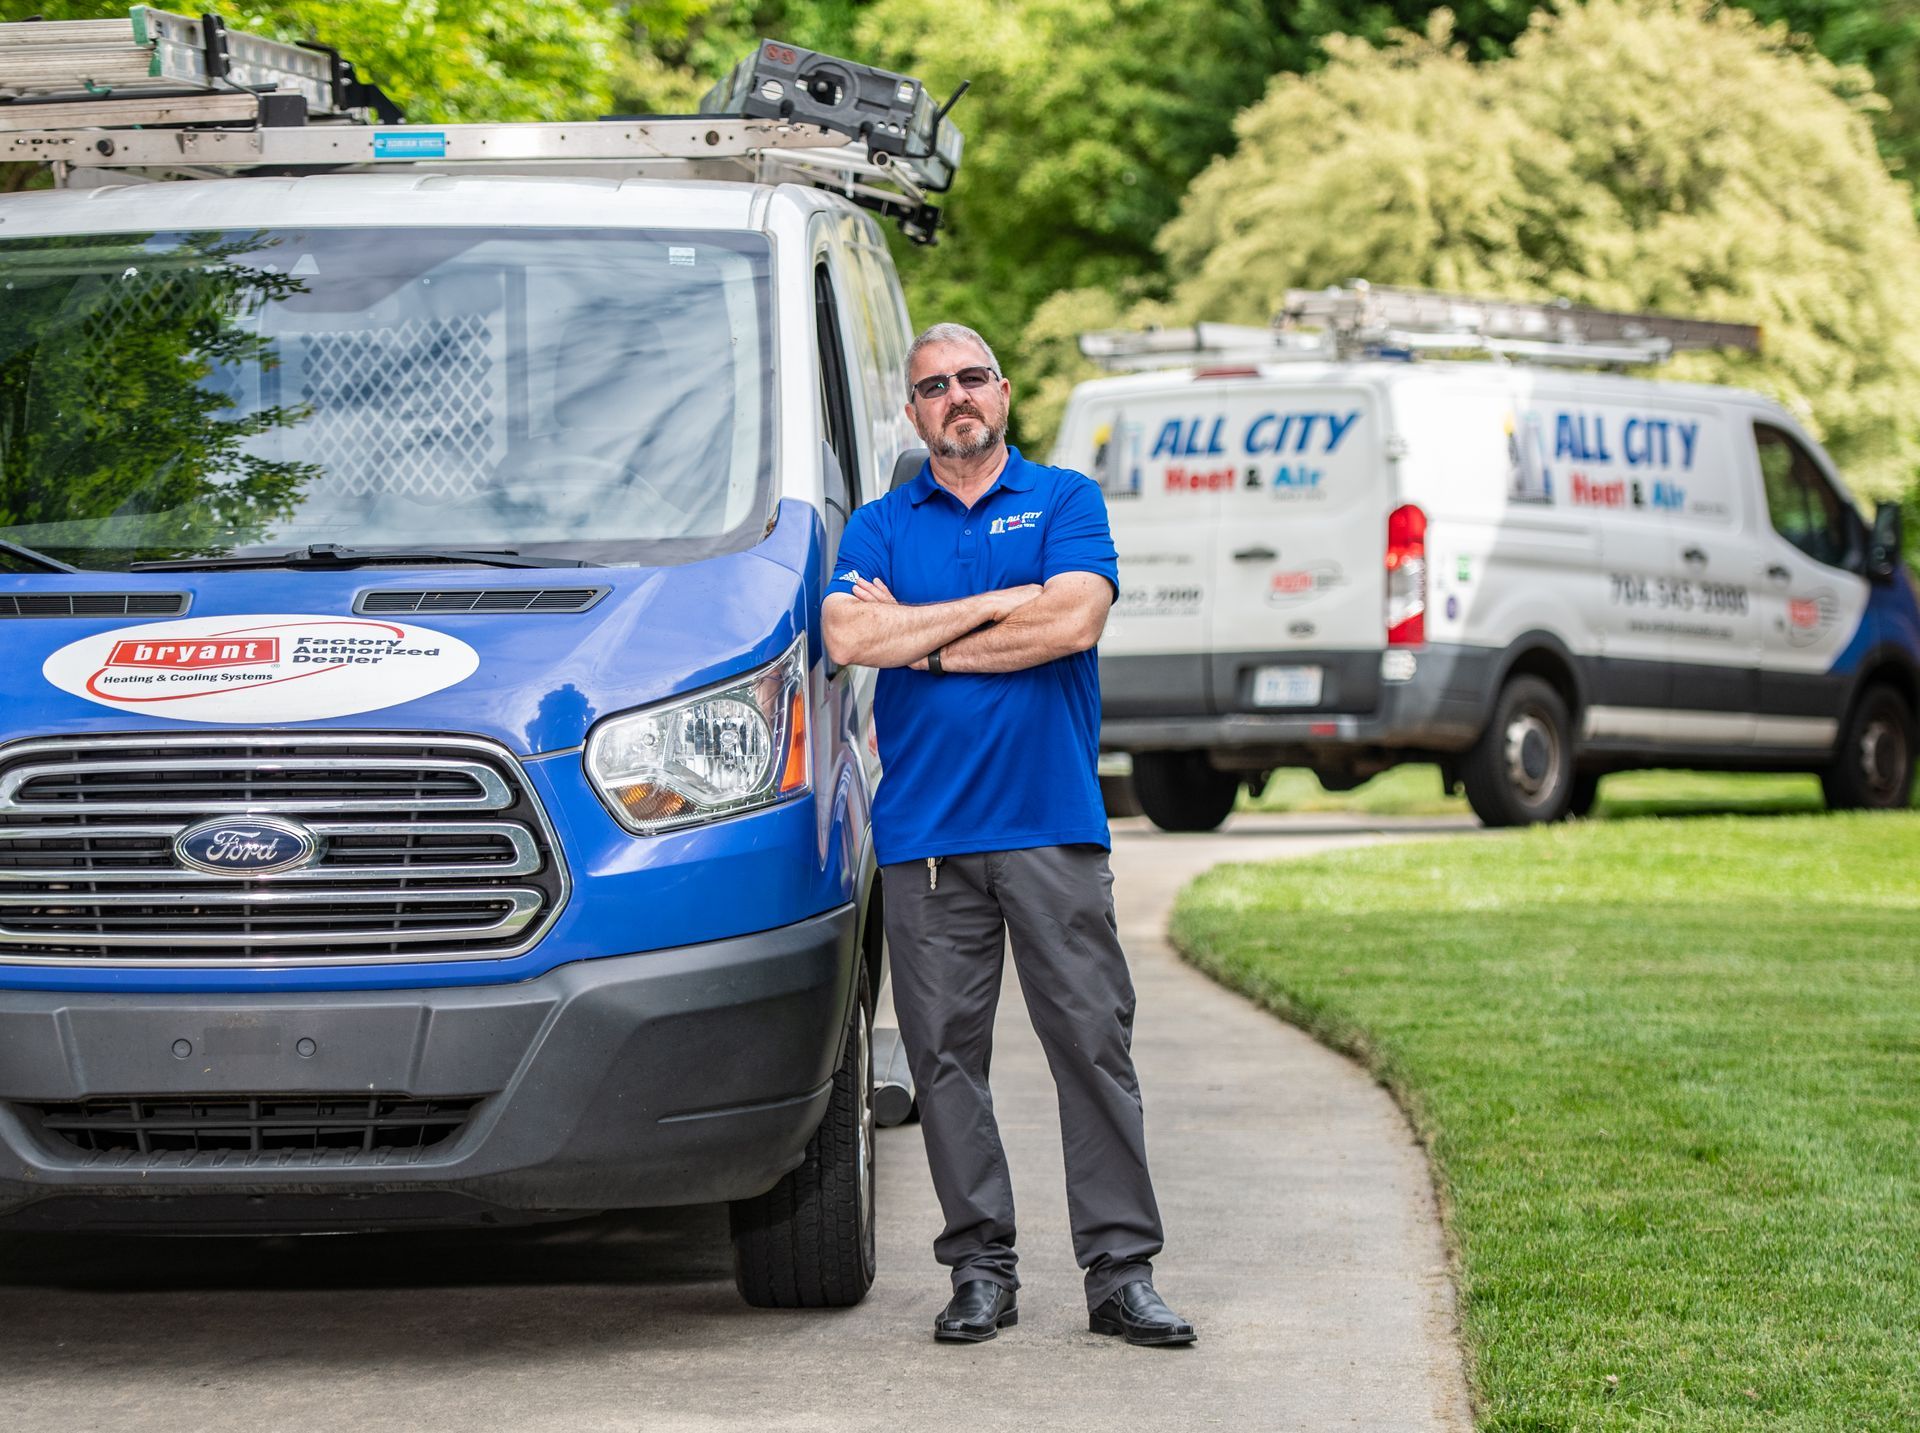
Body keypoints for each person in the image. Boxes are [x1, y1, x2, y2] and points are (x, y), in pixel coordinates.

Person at [821, 322, 1196, 1348]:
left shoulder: (1065, 498)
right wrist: (993, 606)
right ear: (914, 412)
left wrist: (926, 635)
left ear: (1004, 390)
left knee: (1091, 1046)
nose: (955, 397)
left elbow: (1072, 621)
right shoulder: (879, 522)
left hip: (1051, 824)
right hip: (927, 839)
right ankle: (980, 1269)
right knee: (944, 1060)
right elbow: (850, 634)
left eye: (971, 378)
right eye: (933, 386)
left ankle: (1122, 1275)